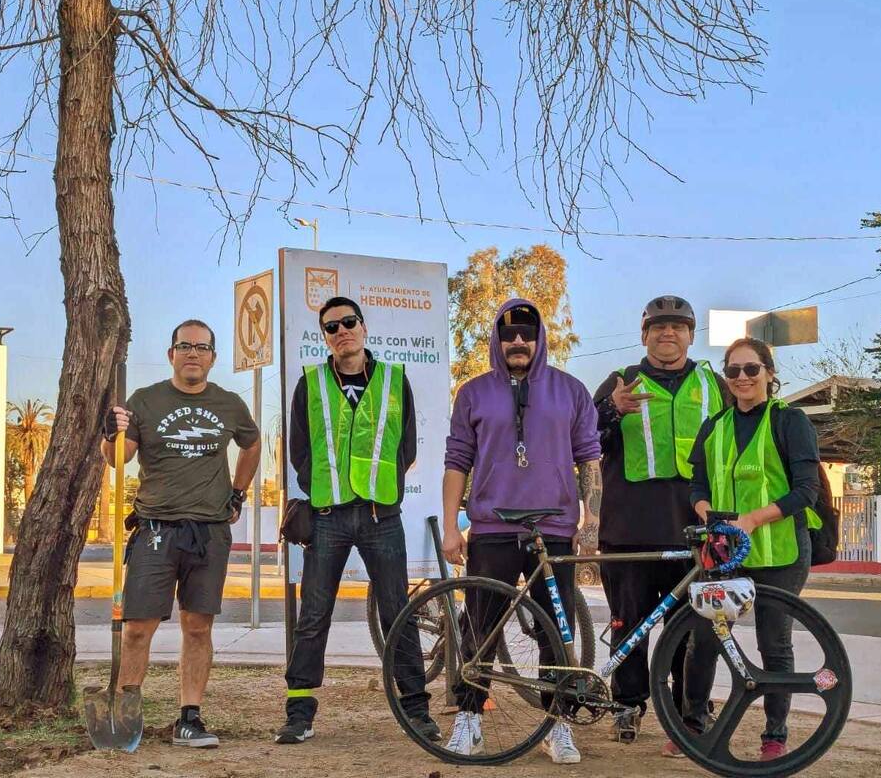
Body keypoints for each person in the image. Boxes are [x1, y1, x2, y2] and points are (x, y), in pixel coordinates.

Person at [441, 299, 602, 765]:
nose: (517, 342)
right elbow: (457, 462)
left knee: (557, 633)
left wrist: (589, 522)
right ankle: (468, 720)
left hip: (553, 528)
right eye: (508, 334)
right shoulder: (473, 393)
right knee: (481, 631)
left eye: (526, 334)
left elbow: (590, 459)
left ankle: (558, 725)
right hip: (491, 526)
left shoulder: (571, 391)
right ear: (497, 338)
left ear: (540, 339)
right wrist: (453, 526)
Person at [278, 297, 438, 745]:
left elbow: (406, 446)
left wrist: (377, 485)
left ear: (363, 328)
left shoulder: (393, 379)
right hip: (327, 517)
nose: (341, 331)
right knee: (313, 615)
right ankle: (299, 713)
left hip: (380, 514)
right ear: (324, 336)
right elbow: (299, 450)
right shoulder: (309, 384)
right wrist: (323, 489)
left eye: (348, 322)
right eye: (331, 327)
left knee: (397, 613)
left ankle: (416, 710)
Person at [102, 320, 261, 748]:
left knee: (198, 627)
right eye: (184, 346)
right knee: (138, 627)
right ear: (171, 353)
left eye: (201, 347)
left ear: (213, 356)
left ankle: (189, 718)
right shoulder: (145, 401)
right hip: (156, 529)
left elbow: (252, 444)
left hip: (208, 533)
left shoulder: (228, 405)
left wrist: (237, 494)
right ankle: (125, 715)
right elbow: (119, 459)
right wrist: (109, 433)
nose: (193, 353)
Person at [591, 295, 727, 754]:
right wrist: (609, 410)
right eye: (658, 327)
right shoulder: (620, 381)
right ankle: (627, 704)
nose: (667, 334)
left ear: (691, 334)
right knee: (628, 623)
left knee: (690, 627)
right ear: (644, 334)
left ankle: (689, 708)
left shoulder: (716, 384)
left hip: (694, 531)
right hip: (628, 530)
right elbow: (581, 436)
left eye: (678, 327)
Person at [688, 336, 822, 762]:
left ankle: (774, 734)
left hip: (780, 552)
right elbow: (697, 485)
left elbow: (807, 491)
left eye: (751, 369)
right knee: (704, 637)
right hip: (725, 553)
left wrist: (750, 520)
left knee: (774, 644)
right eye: (733, 371)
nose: (742, 378)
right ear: (725, 377)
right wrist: (709, 514)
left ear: (768, 372)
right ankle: (692, 723)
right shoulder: (715, 426)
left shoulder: (790, 421)